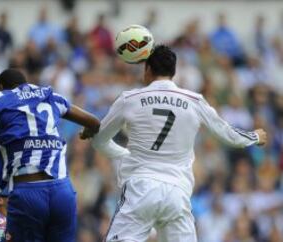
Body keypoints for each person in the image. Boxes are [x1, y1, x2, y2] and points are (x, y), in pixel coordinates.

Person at [82, 45, 267, 242]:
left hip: (140, 190)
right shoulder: (194, 101)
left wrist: (123, 153)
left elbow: (100, 141)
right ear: (174, 72)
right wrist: (254, 136)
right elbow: (228, 134)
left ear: (148, 70)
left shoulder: (130, 99)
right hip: (177, 193)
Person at [0, 68, 100, 242]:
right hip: (63, 191)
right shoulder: (50, 95)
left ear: (1, 87)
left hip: (28, 193)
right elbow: (94, 122)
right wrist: (86, 132)